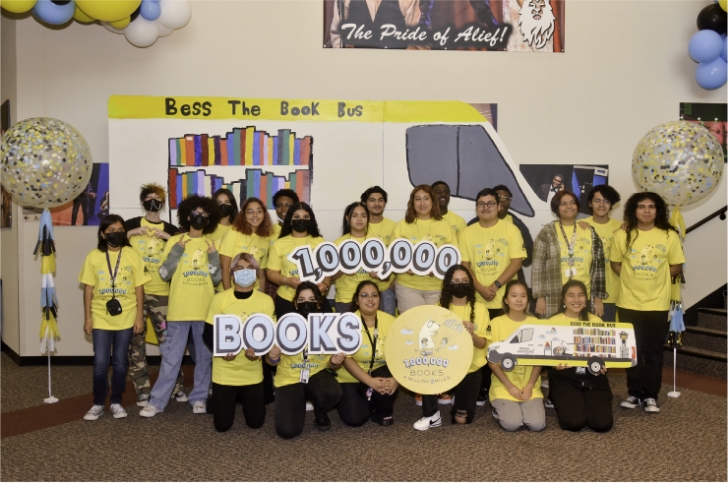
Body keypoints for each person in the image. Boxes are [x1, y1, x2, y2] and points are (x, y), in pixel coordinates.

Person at [140, 195, 222, 417]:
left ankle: (199, 398)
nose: (200, 217)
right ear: (187, 216)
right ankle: (157, 402)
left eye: (204, 215)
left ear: (209, 219)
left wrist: (213, 258)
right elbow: (164, 273)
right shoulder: (174, 242)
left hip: (204, 312)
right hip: (178, 312)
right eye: (196, 213)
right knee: (171, 358)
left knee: (204, 358)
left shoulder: (211, 245)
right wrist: (177, 249)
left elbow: (215, 281)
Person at [611, 192, 684, 414]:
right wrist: (631, 278)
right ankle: (634, 393)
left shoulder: (669, 235)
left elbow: (676, 266)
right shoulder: (623, 234)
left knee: (652, 352)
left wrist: (657, 279)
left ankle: (651, 396)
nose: (646, 210)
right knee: (632, 350)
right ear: (634, 210)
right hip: (628, 303)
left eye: (651, 207)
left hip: (657, 305)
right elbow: (615, 263)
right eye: (641, 206)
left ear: (658, 210)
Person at [459, 188, 526, 406]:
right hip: (478, 300)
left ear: (499, 206)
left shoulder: (511, 230)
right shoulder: (467, 233)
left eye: (490, 203)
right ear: (476, 207)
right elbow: (464, 265)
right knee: (480, 344)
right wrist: (479, 287)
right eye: (481, 203)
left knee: (502, 345)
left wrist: (496, 285)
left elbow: (516, 261)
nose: (485, 207)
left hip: (504, 299)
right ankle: (481, 387)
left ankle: (503, 386)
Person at [79, 214, 149, 420]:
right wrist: (88, 318)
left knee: (119, 362)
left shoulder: (132, 254)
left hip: (127, 315)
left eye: (120, 230)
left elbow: (139, 288)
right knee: (101, 362)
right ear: (102, 234)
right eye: (111, 231)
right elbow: (88, 289)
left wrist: (138, 318)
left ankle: (116, 401)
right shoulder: (93, 256)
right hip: (100, 316)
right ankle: (99, 403)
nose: (116, 234)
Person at [125, 183, 187, 406]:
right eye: (149, 198)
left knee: (169, 343)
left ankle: (175, 386)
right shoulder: (130, 225)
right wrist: (130, 233)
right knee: (136, 343)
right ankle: (142, 389)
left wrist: (168, 237)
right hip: (134, 295)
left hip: (163, 296)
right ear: (143, 202)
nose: (153, 202)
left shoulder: (171, 230)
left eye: (157, 199)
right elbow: (109, 245)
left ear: (163, 203)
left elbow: (186, 254)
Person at [202, 252, 275, 432]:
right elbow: (208, 334)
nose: (245, 272)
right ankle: (225, 398)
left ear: (257, 274)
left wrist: (260, 351)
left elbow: (269, 335)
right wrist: (221, 351)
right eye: (240, 268)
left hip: (252, 370)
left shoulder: (265, 301)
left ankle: (239, 398)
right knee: (222, 426)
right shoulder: (220, 299)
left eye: (250, 268)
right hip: (224, 370)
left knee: (255, 423)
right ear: (233, 273)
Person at [414, 265, 489, 431]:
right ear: (448, 284)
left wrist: (472, 334)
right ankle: (432, 414)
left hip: (470, 367)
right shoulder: (439, 307)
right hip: (443, 364)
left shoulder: (480, 309)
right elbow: (428, 341)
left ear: (470, 284)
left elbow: (483, 344)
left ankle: (460, 400)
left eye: (464, 281)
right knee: (424, 362)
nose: (460, 284)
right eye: (455, 281)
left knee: (461, 420)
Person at [267, 282, 344, 438]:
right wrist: (273, 357)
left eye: (311, 299)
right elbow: (270, 362)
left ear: (319, 303)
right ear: (295, 304)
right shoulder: (281, 324)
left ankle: (320, 410)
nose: (306, 303)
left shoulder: (328, 326)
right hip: (289, 377)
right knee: (288, 432)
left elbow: (332, 366)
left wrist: (335, 362)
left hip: (317, 373)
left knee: (332, 393)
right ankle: (297, 400)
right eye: (301, 300)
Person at [547, 280, 613, 432]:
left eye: (580, 295)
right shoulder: (553, 322)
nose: (576, 300)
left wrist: (605, 365)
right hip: (565, 377)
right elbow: (546, 352)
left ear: (586, 299)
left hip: (593, 377)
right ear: (563, 300)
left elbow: (605, 351)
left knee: (602, 424)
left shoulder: (596, 321)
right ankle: (555, 396)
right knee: (574, 422)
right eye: (571, 296)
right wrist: (552, 363)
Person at [532, 190, 606, 320]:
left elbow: (599, 268)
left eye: (572, 203)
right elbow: (538, 267)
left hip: (585, 298)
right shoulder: (547, 233)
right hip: (554, 297)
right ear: (557, 209)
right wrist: (540, 297)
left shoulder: (590, 231)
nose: (569, 207)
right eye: (563, 204)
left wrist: (598, 300)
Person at [335, 281, 398, 427]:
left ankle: (381, 411)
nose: (370, 299)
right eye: (364, 295)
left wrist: (397, 379)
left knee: (388, 379)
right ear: (357, 300)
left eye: (374, 295)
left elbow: (402, 355)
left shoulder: (391, 321)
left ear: (379, 299)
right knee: (355, 420)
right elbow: (346, 359)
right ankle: (368, 399)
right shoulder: (346, 323)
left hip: (378, 369)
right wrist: (369, 381)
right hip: (350, 376)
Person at [487, 280, 546, 432]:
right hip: (504, 385)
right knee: (513, 424)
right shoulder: (496, 323)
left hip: (528, 384)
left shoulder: (535, 323)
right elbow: (492, 362)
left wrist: (530, 386)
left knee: (537, 425)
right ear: (506, 300)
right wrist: (510, 387)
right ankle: (498, 409)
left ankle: (523, 406)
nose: (519, 300)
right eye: (514, 296)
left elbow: (540, 359)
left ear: (528, 300)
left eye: (523, 296)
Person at [393, 184, 457, 313]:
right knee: (413, 327)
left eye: (426, 198)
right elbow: (393, 256)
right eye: (418, 199)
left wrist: (439, 269)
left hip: (437, 287)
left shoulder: (445, 225)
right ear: (412, 202)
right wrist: (405, 267)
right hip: (408, 287)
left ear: (433, 201)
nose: (422, 203)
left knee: (434, 329)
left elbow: (453, 257)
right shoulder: (402, 225)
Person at [266, 202, 331, 318]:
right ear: (290, 221)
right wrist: (286, 280)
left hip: (315, 299)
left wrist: (325, 285)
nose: (301, 220)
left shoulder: (320, 241)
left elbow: (328, 270)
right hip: (287, 299)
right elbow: (271, 273)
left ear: (311, 220)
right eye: (297, 217)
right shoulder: (279, 244)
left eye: (305, 217)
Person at [332, 202, 389, 314]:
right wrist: (342, 270)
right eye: (355, 215)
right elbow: (330, 277)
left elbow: (386, 277)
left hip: (372, 299)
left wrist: (379, 275)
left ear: (368, 219)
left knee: (375, 331)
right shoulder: (338, 244)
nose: (359, 219)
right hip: (346, 299)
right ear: (347, 218)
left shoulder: (377, 243)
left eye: (363, 216)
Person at [583, 185, 622, 322]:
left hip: (614, 293)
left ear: (611, 204)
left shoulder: (622, 228)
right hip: (585, 294)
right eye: (597, 200)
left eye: (606, 201)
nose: (601, 205)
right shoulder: (580, 226)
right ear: (590, 203)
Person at [219, 197, 274, 292]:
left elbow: (261, 274)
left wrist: (262, 296)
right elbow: (225, 267)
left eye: (259, 211)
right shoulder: (233, 232)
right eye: (250, 212)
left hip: (253, 293)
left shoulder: (265, 239)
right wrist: (228, 295)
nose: (255, 215)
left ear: (264, 214)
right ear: (244, 215)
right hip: (231, 290)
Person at [361, 186, 397, 316]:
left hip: (387, 289)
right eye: (372, 200)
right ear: (365, 203)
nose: (377, 204)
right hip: (362, 289)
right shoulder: (358, 225)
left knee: (387, 328)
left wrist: (395, 282)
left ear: (385, 203)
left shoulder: (395, 227)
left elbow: (400, 257)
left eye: (380, 200)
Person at [209, 188, 238, 256]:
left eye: (227, 202)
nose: (223, 205)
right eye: (219, 202)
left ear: (232, 205)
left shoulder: (238, 229)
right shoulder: (207, 228)